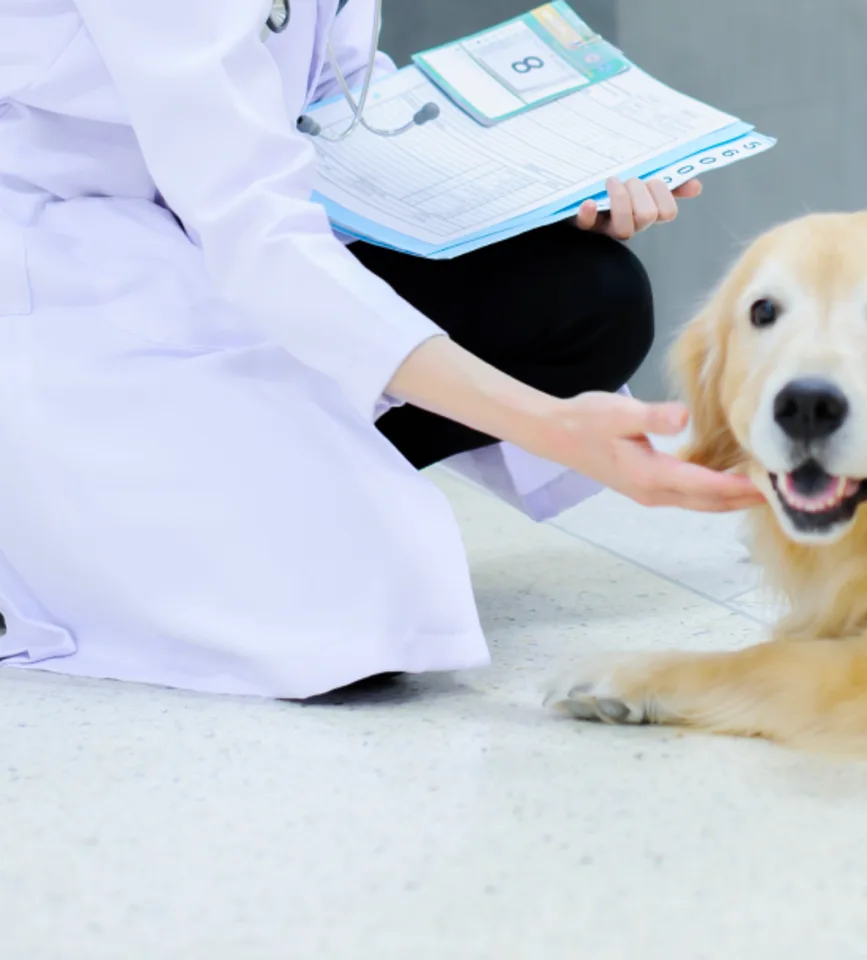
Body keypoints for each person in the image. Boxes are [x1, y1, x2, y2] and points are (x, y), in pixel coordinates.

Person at [0, 0, 763, 699]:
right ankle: (226, 496)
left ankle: (281, 472)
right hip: (79, 267)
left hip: (216, 232)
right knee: (346, 615)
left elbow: (337, 103)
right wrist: (545, 422)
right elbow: (255, 229)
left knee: (589, 299)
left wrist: (539, 195)